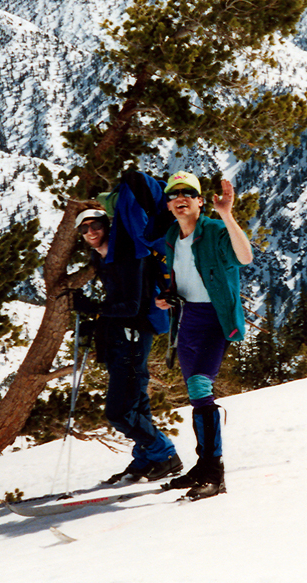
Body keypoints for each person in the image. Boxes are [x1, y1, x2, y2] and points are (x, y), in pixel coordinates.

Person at [155, 171, 254, 500]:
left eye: (188, 193)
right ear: (169, 204)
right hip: (187, 320)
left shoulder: (213, 231)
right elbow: (179, 277)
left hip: (215, 318)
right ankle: (203, 465)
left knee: (200, 384)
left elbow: (244, 257)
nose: (180, 198)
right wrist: (166, 295)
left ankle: (214, 473)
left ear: (200, 201)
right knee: (195, 393)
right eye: (174, 194)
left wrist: (227, 215)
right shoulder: (172, 236)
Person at [71, 207, 182, 483]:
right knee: (136, 404)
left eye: (94, 225)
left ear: (106, 225)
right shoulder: (104, 258)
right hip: (121, 338)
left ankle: (165, 453)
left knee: (119, 412)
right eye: (83, 229)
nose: (90, 232)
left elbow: (133, 306)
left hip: (133, 336)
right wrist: (97, 321)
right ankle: (146, 457)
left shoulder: (127, 256)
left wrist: (95, 310)